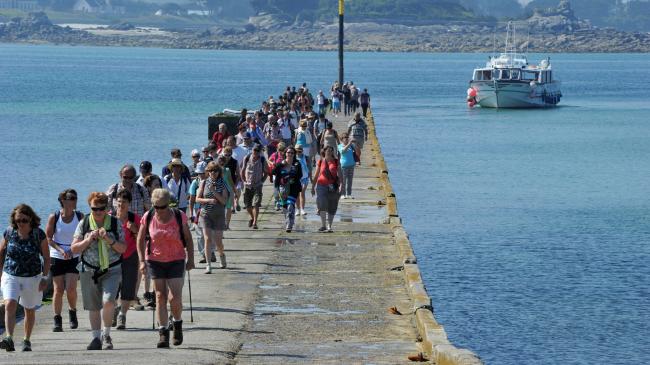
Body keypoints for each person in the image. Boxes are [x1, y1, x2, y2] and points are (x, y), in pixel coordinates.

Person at [137, 189, 194, 348]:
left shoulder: (178, 216)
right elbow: (140, 239)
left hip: (176, 259)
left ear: (168, 205)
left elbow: (188, 239)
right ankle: (163, 334)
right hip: (155, 260)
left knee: (174, 297)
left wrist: (191, 259)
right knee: (160, 296)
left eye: (162, 207)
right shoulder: (148, 217)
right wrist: (142, 261)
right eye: (156, 206)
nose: (158, 210)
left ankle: (177, 324)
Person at [71, 192, 126, 351]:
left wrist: (109, 239)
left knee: (108, 301)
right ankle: (96, 338)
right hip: (89, 270)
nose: (98, 212)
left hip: (112, 268)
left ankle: (106, 334)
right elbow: (74, 248)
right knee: (93, 306)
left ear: (107, 208)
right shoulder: (84, 223)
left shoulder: (115, 223)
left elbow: (123, 248)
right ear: (90, 207)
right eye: (95, 209)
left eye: (101, 209)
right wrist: (88, 240)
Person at [0, 204, 50, 352]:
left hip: (32, 277)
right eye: (18, 221)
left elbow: (46, 258)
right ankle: (9, 338)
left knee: (29, 309)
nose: (21, 223)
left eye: (24, 220)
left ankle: (26, 339)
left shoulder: (38, 234)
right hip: (11, 275)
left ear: (31, 219)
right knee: (9, 304)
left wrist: (45, 277)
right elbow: (1, 252)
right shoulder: (9, 232)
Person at [45, 189, 82, 332]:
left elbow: (84, 236)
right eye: (71, 198)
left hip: (74, 254)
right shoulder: (54, 217)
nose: (74, 200)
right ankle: (57, 320)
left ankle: (72, 312)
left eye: (75, 198)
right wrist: (61, 250)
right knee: (58, 289)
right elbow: (48, 238)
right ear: (63, 201)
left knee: (71, 288)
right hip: (57, 255)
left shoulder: (79, 216)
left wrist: (73, 250)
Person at [111, 189, 141, 330]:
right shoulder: (109, 218)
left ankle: (122, 315)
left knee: (128, 287)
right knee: (113, 287)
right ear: (115, 202)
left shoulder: (134, 218)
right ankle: (115, 310)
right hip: (113, 257)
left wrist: (134, 229)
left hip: (130, 255)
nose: (121, 204)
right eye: (119, 201)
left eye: (124, 202)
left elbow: (142, 237)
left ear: (129, 203)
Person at [196, 162, 228, 273]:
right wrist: (208, 200)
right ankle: (208, 265)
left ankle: (222, 255)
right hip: (205, 215)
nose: (212, 173)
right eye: (210, 171)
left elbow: (224, 201)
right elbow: (197, 199)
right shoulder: (204, 183)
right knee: (207, 238)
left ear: (219, 172)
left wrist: (214, 191)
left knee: (218, 241)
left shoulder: (223, 183)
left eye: (215, 171)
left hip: (218, 215)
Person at [311, 146, 343, 232]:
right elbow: (316, 175)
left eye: (331, 151)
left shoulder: (336, 162)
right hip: (321, 186)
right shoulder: (321, 161)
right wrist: (313, 187)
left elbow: (340, 174)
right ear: (324, 152)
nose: (329, 152)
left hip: (333, 186)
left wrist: (341, 185)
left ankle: (329, 226)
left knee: (332, 206)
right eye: (327, 151)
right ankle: (323, 225)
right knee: (322, 204)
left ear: (333, 152)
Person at [189, 161, 215, 264]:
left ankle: (211, 252)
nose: (201, 175)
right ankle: (204, 254)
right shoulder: (195, 183)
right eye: (199, 173)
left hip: (210, 210)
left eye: (203, 173)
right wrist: (191, 214)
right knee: (199, 235)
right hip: (198, 211)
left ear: (208, 172)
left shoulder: (213, 182)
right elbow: (191, 200)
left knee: (211, 233)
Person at [272, 146, 303, 232]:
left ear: (294, 154)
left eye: (292, 153)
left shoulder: (297, 164)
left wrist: (290, 177)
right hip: (282, 189)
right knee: (285, 207)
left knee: (290, 206)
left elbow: (300, 175)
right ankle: (289, 221)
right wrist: (281, 164)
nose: (290, 154)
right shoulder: (281, 164)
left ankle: (289, 224)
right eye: (288, 152)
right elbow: (273, 172)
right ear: (285, 153)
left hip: (294, 188)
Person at [241, 145, 267, 230]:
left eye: (257, 151)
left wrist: (262, 181)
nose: (255, 152)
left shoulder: (262, 160)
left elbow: (266, 172)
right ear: (252, 150)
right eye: (254, 150)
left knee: (256, 204)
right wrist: (244, 181)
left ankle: (255, 222)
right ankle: (252, 217)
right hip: (248, 185)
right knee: (247, 205)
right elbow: (242, 170)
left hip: (257, 185)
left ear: (260, 151)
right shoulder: (247, 158)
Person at [338, 133, 357, 199]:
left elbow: (357, 151)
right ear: (342, 139)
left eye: (347, 137)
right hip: (344, 166)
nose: (346, 138)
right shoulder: (340, 146)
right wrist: (349, 143)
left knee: (350, 181)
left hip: (351, 165)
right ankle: (342, 194)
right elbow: (343, 151)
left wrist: (355, 144)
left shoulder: (351, 146)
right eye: (345, 137)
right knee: (343, 181)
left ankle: (349, 194)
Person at [269, 143, 287, 211]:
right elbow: (269, 160)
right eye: (280, 149)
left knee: (283, 191)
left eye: (283, 149)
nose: (281, 151)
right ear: (277, 149)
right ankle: (277, 203)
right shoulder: (275, 154)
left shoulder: (286, 155)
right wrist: (272, 163)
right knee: (276, 190)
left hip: (283, 175)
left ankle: (283, 203)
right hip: (276, 175)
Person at [295, 145, 310, 216]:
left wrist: (311, 178)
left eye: (300, 151)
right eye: (297, 151)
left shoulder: (306, 157)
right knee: (297, 194)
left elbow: (309, 167)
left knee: (302, 192)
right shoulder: (293, 158)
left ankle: (302, 209)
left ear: (302, 151)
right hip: (297, 178)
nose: (298, 152)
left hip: (305, 177)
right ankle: (298, 209)